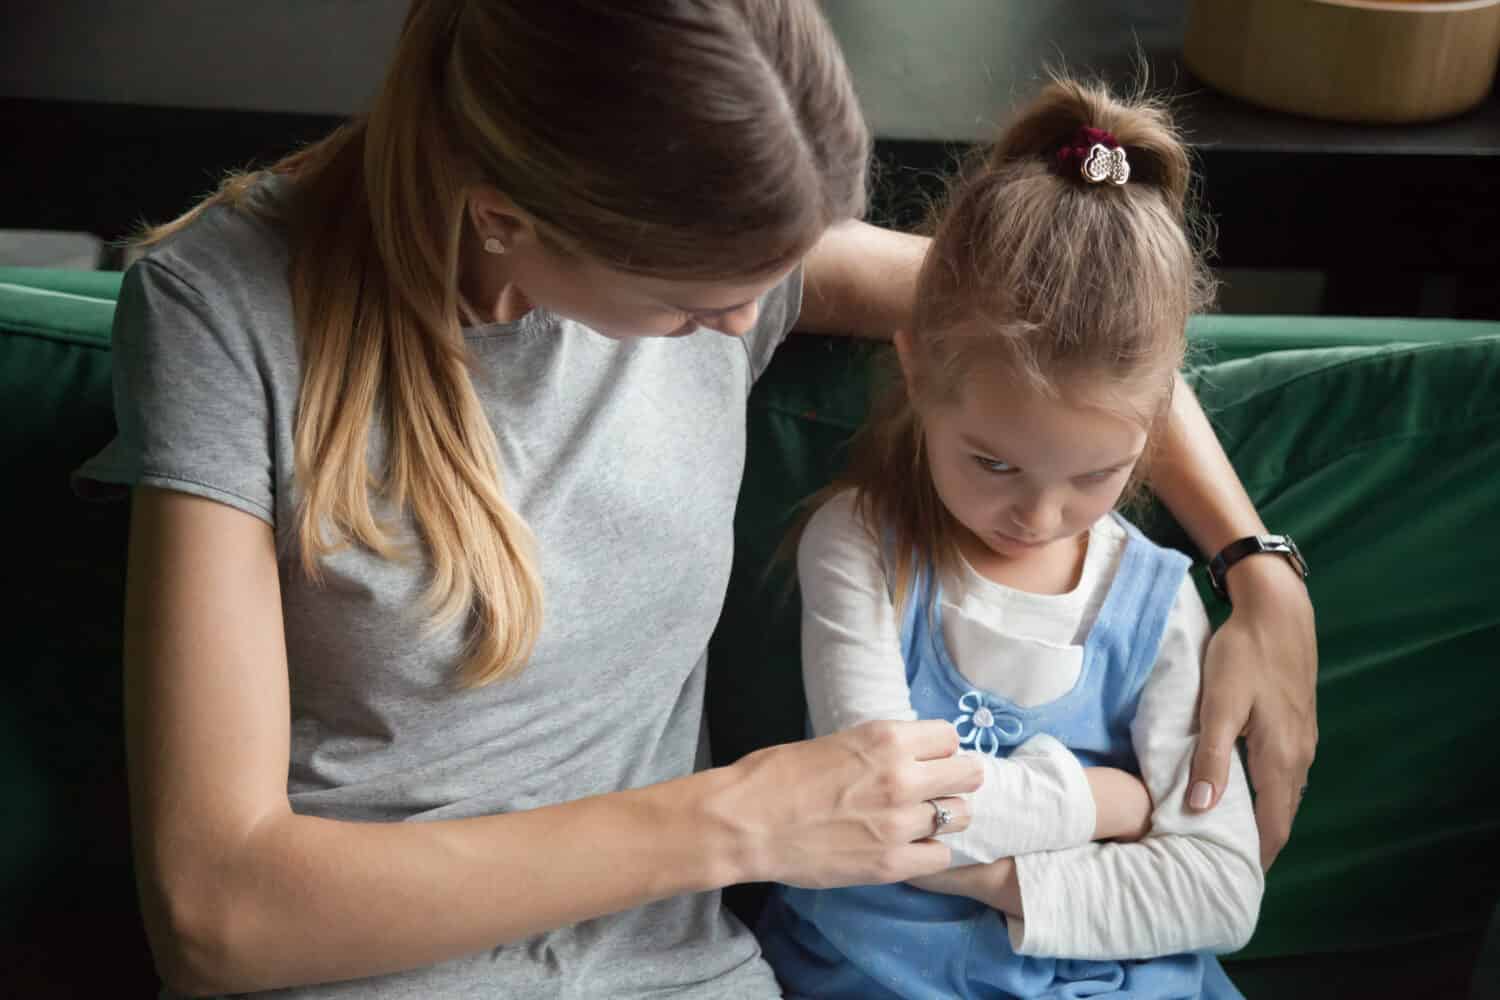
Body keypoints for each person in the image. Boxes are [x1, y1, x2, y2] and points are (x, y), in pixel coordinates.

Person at [72, 1, 1312, 996]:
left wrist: (1255, 562)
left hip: (687, 972)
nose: (738, 324)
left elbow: (1086, 330)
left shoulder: (724, 251)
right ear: (506, 220)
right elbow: (219, 916)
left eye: (775, 277)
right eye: (694, 308)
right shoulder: (223, 315)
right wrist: (737, 825)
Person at [756, 78, 1264, 998]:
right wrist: (1102, 804)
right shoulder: (864, 548)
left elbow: (1222, 889)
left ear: (1157, 420)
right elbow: (876, 805)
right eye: (992, 464)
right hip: (885, 974)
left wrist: (988, 874)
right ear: (915, 369)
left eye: (1097, 475)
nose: (1037, 517)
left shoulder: (1160, 602)